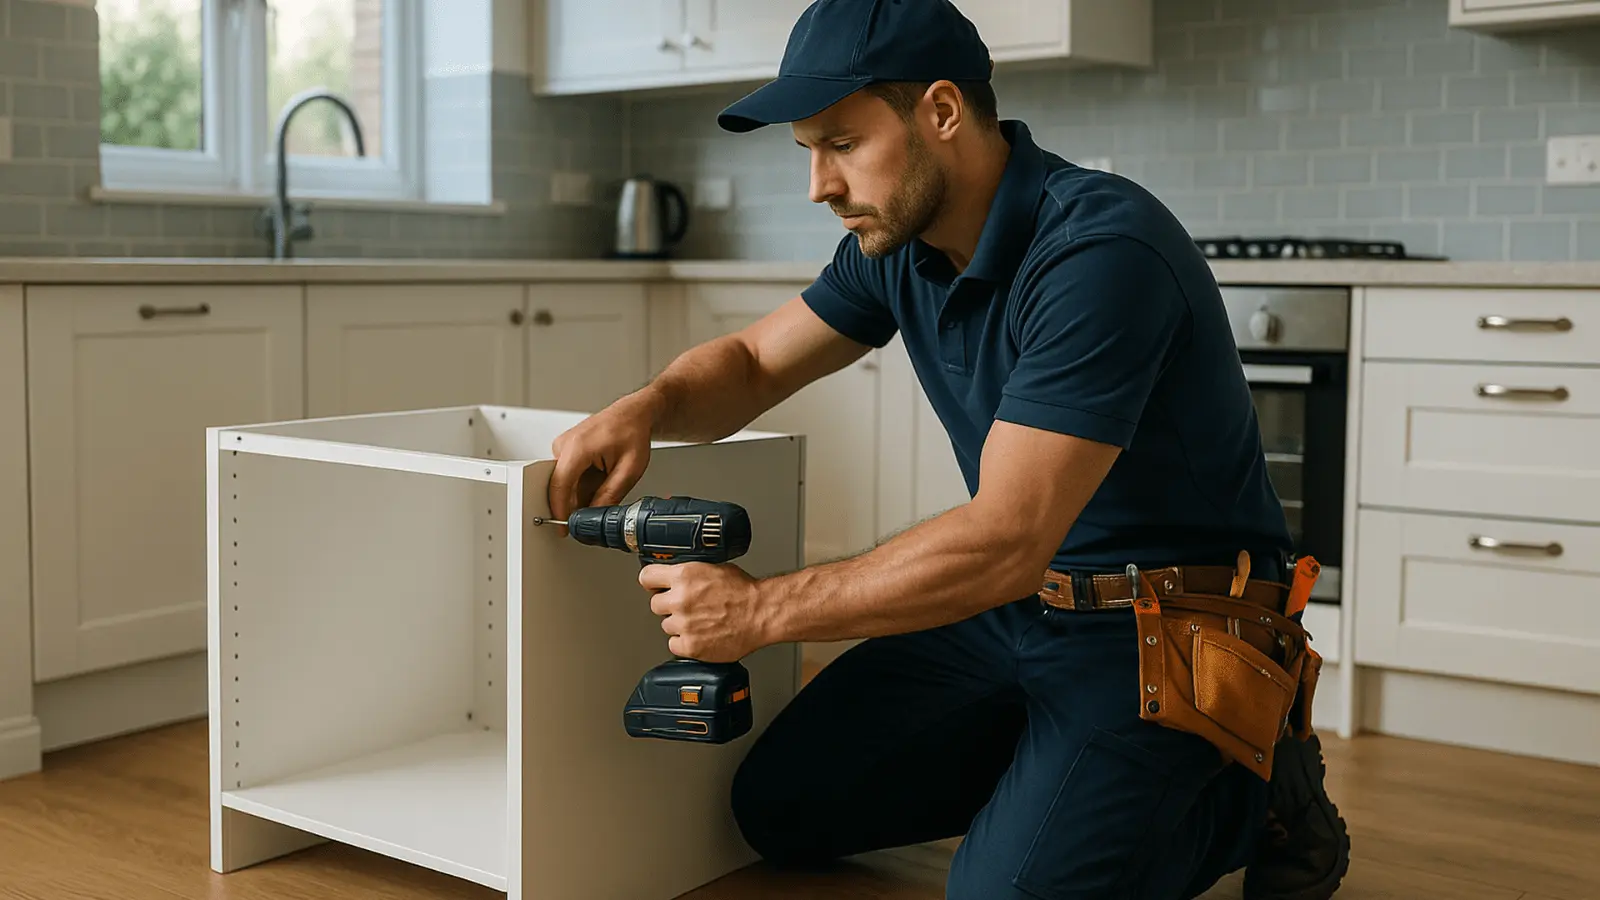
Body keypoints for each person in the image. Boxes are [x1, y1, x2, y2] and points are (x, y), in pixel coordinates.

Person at [545, 1, 1350, 897]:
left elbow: (1006, 537)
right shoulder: (899, 244)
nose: (819, 184)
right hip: (1021, 611)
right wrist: (645, 408)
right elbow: (750, 362)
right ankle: (1062, 774)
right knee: (782, 807)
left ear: (940, 112)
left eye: (842, 144)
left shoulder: (1097, 251)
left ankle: (1257, 789)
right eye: (807, 150)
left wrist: (763, 612)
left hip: (1162, 628)